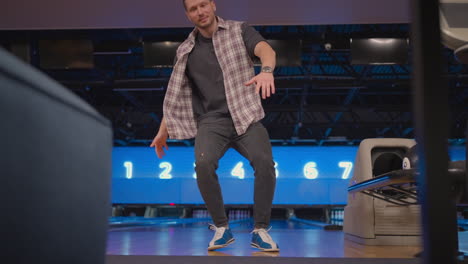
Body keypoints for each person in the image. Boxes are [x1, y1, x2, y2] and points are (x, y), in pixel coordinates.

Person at [150, 0, 279, 252]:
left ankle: (260, 230)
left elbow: (266, 50)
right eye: (193, 9)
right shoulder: (186, 50)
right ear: (188, 15)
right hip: (211, 121)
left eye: (203, 5)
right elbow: (176, 94)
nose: (200, 12)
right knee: (203, 163)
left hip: (245, 116)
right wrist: (164, 128)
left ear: (213, 4)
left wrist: (266, 71)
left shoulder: (239, 30)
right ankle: (222, 227)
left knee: (264, 162)